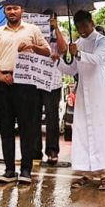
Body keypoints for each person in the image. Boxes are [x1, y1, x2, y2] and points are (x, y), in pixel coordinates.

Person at [57, 10, 105, 191]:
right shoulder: (77, 43)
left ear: (91, 22)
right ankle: (85, 172)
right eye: (78, 27)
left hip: (100, 91)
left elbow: (98, 60)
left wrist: (78, 54)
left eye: (84, 26)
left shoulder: (102, 40)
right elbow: (72, 70)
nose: (82, 30)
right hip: (83, 93)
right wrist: (59, 60)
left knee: (101, 131)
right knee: (83, 131)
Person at [0, 3, 51, 185]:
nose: (12, 11)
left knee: (27, 127)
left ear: (22, 10)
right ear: (4, 12)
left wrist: (32, 46)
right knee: (5, 127)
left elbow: (47, 51)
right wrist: (0, 76)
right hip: (2, 81)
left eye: (15, 8)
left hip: (26, 82)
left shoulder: (32, 30)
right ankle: (9, 170)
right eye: (9, 9)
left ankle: (26, 170)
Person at [42, 12, 69, 166]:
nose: (49, 20)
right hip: (36, 79)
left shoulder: (59, 33)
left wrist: (56, 28)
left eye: (52, 17)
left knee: (52, 117)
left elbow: (64, 49)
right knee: (33, 117)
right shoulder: (35, 32)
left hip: (53, 81)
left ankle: (52, 151)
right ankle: (34, 150)